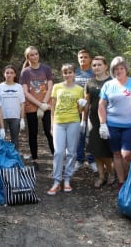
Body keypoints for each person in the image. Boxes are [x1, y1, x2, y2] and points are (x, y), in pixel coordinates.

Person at [98, 56, 131, 190]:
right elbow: (102, 105)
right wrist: (103, 124)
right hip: (113, 125)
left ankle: (128, 179)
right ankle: (121, 182)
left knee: (126, 155)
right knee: (116, 154)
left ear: (126, 69)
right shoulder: (108, 85)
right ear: (112, 71)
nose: (119, 71)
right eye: (116, 69)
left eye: (121, 68)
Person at [47, 64, 86, 195]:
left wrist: (82, 106)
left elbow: (80, 110)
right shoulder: (57, 87)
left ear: (74, 74)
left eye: (70, 72)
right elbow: (52, 108)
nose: (68, 74)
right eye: (65, 72)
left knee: (71, 152)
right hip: (59, 122)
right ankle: (57, 181)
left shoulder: (80, 89)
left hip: (73, 121)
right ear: (62, 74)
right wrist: (52, 125)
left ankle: (67, 179)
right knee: (58, 152)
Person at [20, 46, 54, 171]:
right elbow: (25, 92)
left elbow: (50, 87)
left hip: (46, 105)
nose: (35, 57)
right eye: (31, 55)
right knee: (33, 133)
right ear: (27, 57)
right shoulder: (25, 72)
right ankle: (35, 159)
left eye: (36, 54)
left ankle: (56, 157)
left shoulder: (46, 69)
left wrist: (44, 103)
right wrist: (39, 105)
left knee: (48, 131)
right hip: (31, 106)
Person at [84, 56, 115, 188]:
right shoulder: (89, 83)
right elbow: (86, 103)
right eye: (94, 65)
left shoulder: (112, 82)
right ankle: (101, 176)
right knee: (95, 150)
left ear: (105, 66)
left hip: (109, 120)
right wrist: (83, 120)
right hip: (93, 120)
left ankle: (111, 173)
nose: (96, 67)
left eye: (99, 65)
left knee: (105, 150)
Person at [74, 49, 97, 173]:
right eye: (81, 57)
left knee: (91, 135)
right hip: (77, 109)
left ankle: (92, 160)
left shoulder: (94, 73)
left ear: (90, 59)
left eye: (85, 57)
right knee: (79, 135)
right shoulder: (75, 73)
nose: (83, 59)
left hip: (92, 108)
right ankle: (79, 159)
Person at [0, 65, 26, 150]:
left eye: (11, 73)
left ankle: (15, 159)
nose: (9, 75)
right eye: (7, 73)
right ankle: (1, 159)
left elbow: (22, 103)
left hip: (15, 117)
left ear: (15, 74)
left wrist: (22, 118)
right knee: (0, 139)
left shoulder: (19, 87)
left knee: (15, 140)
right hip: (2, 117)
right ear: (4, 74)